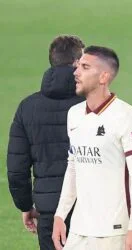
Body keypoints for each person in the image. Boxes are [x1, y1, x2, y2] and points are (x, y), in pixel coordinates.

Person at [52, 46, 132, 250]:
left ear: (104, 77)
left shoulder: (126, 116)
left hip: (113, 233)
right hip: (78, 229)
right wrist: (61, 214)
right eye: (77, 66)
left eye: (85, 67)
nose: (76, 72)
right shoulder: (74, 114)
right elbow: (73, 167)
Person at [7, 35, 85, 250]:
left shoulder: (27, 107)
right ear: (77, 63)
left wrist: (25, 206)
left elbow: (17, 169)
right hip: (90, 209)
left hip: (49, 211)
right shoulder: (92, 103)